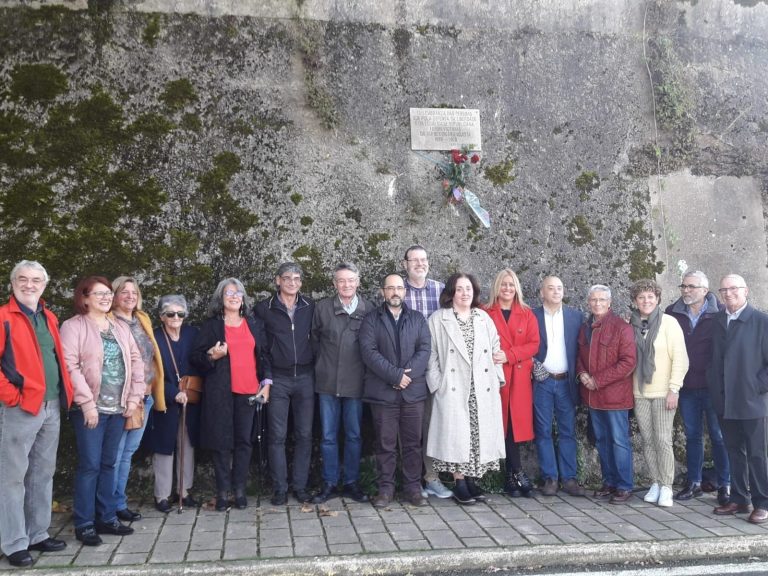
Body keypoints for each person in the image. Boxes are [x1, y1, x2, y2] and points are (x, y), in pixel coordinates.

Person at [60, 276, 145, 546]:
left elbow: (135, 361)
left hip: (118, 408)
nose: (106, 297)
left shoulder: (118, 325)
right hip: (90, 409)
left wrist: (133, 399)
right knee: (90, 466)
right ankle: (84, 523)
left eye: (108, 293)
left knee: (109, 463)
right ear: (84, 298)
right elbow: (70, 367)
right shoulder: (73, 327)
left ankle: (107, 517)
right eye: (99, 294)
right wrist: (86, 404)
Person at [0, 260, 74, 567]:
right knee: (12, 477)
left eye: (35, 280)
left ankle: (37, 533)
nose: (29, 285)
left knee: (43, 473)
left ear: (44, 285)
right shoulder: (3, 317)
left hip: (51, 405)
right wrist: (11, 396)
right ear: (13, 283)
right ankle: (14, 542)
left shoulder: (49, 317)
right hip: (21, 407)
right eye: (22, 279)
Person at [191, 278, 270, 511]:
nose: (234, 297)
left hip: (249, 392)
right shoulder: (212, 326)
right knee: (221, 444)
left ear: (243, 298)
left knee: (244, 442)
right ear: (221, 299)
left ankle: (240, 490)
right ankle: (223, 492)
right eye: (229, 293)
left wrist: (266, 384)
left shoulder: (253, 324)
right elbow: (195, 358)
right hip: (220, 394)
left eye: (238, 293)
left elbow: (264, 356)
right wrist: (212, 356)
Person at [427, 272, 506, 505]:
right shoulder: (438, 319)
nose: (464, 294)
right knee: (456, 437)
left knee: (475, 435)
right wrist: (437, 384)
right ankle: (459, 481)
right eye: (460, 289)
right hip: (452, 387)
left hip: (481, 387)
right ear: (451, 293)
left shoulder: (482, 317)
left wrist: (497, 379)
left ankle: (472, 480)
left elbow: (495, 347)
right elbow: (430, 353)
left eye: (468, 289)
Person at [360, 273, 431, 508]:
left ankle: (413, 488)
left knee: (413, 443)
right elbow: (369, 353)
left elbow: (425, 350)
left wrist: (406, 377)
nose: (395, 292)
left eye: (399, 288)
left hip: (412, 393)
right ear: (382, 291)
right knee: (385, 443)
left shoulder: (418, 319)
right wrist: (395, 375)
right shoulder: (371, 319)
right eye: (390, 288)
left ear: (405, 292)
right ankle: (386, 489)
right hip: (383, 392)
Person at [665, 271, 730, 505]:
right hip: (687, 386)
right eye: (683, 285)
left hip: (713, 387)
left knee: (719, 436)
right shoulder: (672, 313)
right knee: (692, 436)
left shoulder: (720, 313)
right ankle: (694, 483)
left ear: (705, 290)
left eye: (691, 286)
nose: (686, 290)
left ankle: (725, 484)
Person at [708, 274, 768, 524]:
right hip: (724, 399)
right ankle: (740, 498)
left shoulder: (761, 320)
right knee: (733, 450)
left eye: (734, 288)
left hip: (752, 400)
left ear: (746, 290)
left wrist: (757, 386)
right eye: (724, 290)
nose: (728, 293)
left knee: (757, 454)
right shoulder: (719, 319)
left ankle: (762, 503)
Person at [254, 263, 314, 505]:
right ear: (277, 280)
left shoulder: (310, 307)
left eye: (297, 278)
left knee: (305, 435)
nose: (292, 282)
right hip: (277, 378)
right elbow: (262, 349)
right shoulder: (264, 309)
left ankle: (300, 486)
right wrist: (266, 379)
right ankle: (279, 488)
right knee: (277, 436)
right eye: (287, 278)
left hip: (307, 378)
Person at [312, 263, 372, 504]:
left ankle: (351, 482)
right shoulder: (323, 308)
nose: (346, 285)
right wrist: (323, 366)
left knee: (355, 435)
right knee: (327, 436)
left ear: (358, 282)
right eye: (341, 281)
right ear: (334, 283)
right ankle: (329, 482)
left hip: (356, 383)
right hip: (327, 382)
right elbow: (314, 342)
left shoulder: (369, 308)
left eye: (351, 280)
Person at [629, 279, 689, 508]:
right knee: (647, 440)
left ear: (657, 299)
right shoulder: (631, 324)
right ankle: (654, 481)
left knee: (663, 440)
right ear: (635, 301)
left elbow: (681, 359)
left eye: (650, 297)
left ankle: (666, 487)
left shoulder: (669, 323)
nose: (646, 301)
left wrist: (674, 389)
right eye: (641, 297)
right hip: (640, 392)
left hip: (665, 392)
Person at [111, 276, 165, 522]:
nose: (130, 296)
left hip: (145, 396)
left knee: (128, 452)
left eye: (133, 292)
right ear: (114, 295)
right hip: (124, 397)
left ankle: (118, 502)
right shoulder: (109, 321)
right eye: (124, 292)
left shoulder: (141, 319)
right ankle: (109, 505)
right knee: (115, 452)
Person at [576, 284, 637, 504]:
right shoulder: (585, 328)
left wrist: (598, 381)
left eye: (602, 300)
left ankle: (624, 486)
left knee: (619, 441)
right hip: (593, 397)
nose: (597, 304)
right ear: (589, 302)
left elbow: (628, 362)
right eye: (594, 300)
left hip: (615, 397)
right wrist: (582, 373)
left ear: (610, 303)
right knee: (601, 441)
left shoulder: (622, 327)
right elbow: (580, 355)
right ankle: (609, 482)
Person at [401, 245, 451, 500]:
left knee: (433, 426)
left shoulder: (441, 290)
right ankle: (411, 480)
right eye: (415, 260)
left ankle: (431, 477)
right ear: (405, 264)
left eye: (424, 259)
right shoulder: (398, 290)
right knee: (410, 428)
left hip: (434, 369)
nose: (420, 264)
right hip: (408, 370)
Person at [485, 269, 539, 498]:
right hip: (494, 377)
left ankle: (512, 474)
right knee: (500, 425)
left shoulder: (526, 314)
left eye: (511, 285)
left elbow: (534, 344)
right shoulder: (485, 312)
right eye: (503, 284)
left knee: (513, 427)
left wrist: (511, 354)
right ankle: (514, 474)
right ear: (496, 287)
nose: (507, 288)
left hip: (517, 378)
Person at [531, 276, 586, 497]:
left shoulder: (576, 317)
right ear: (542, 292)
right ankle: (550, 478)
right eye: (551, 288)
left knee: (567, 431)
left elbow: (583, 349)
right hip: (542, 381)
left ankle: (569, 478)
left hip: (566, 382)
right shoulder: (531, 316)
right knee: (542, 431)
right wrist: (533, 365)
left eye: (559, 288)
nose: (556, 292)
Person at [147, 295, 200, 513]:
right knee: (165, 447)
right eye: (170, 314)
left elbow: (198, 362)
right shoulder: (155, 338)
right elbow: (151, 372)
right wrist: (172, 392)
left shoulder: (192, 334)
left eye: (180, 313)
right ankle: (162, 495)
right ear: (162, 317)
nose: (176, 317)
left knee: (187, 445)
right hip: (166, 400)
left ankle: (184, 490)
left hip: (190, 398)